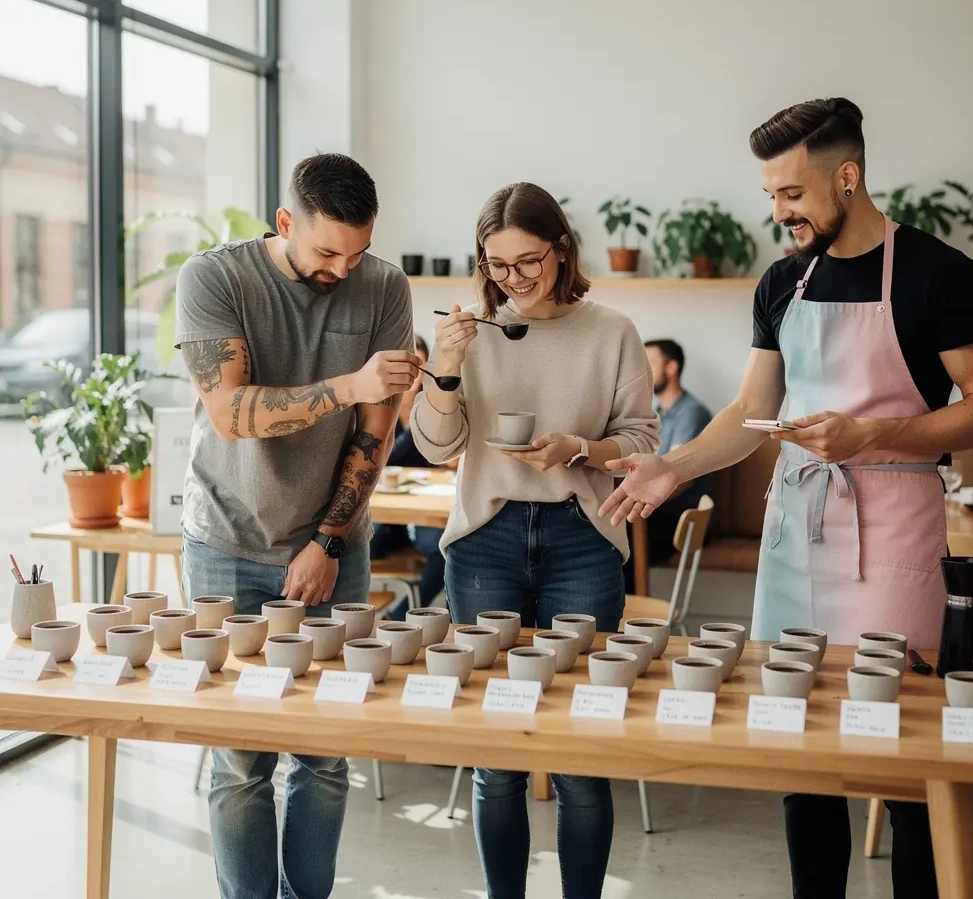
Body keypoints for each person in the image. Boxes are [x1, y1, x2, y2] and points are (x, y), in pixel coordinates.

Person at [600, 98, 973, 899]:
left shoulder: (940, 274)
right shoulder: (784, 282)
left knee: (904, 745)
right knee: (795, 740)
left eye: (791, 194)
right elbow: (753, 412)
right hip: (799, 533)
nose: (780, 212)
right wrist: (673, 467)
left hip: (892, 530)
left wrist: (870, 435)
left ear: (847, 177)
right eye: (771, 197)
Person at [175, 152, 419, 899]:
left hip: (332, 547)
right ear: (286, 223)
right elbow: (232, 413)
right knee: (241, 758)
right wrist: (348, 382)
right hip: (224, 539)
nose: (344, 269)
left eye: (358, 251)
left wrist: (328, 540)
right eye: (326, 252)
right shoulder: (214, 279)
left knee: (324, 748)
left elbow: (373, 435)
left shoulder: (383, 285)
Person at [411, 182, 659, 899]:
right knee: (498, 752)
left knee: (583, 748)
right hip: (486, 539)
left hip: (581, 538)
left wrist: (576, 448)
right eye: (496, 265)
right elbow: (434, 447)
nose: (512, 280)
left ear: (562, 250)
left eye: (528, 262)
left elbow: (643, 441)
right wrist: (447, 372)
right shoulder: (470, 334)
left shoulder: (610, 331)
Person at [623, 339, 714, 593]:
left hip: (681, 519)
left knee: (618, 544)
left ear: (671, 368)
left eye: (649, 364)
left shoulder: (691, 413)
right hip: (658, 515)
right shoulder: (656, 414)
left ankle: (626, 618)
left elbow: (681, 478)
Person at [370, 333, 446, 612]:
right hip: (387, 511)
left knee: (444, 548)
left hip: (423, 510)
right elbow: (377, 456)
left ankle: (400, 617)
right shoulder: (377, 409)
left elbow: (449, 460)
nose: (411, 375)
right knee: (362, 545)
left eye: (418, 366)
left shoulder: (437, 409)